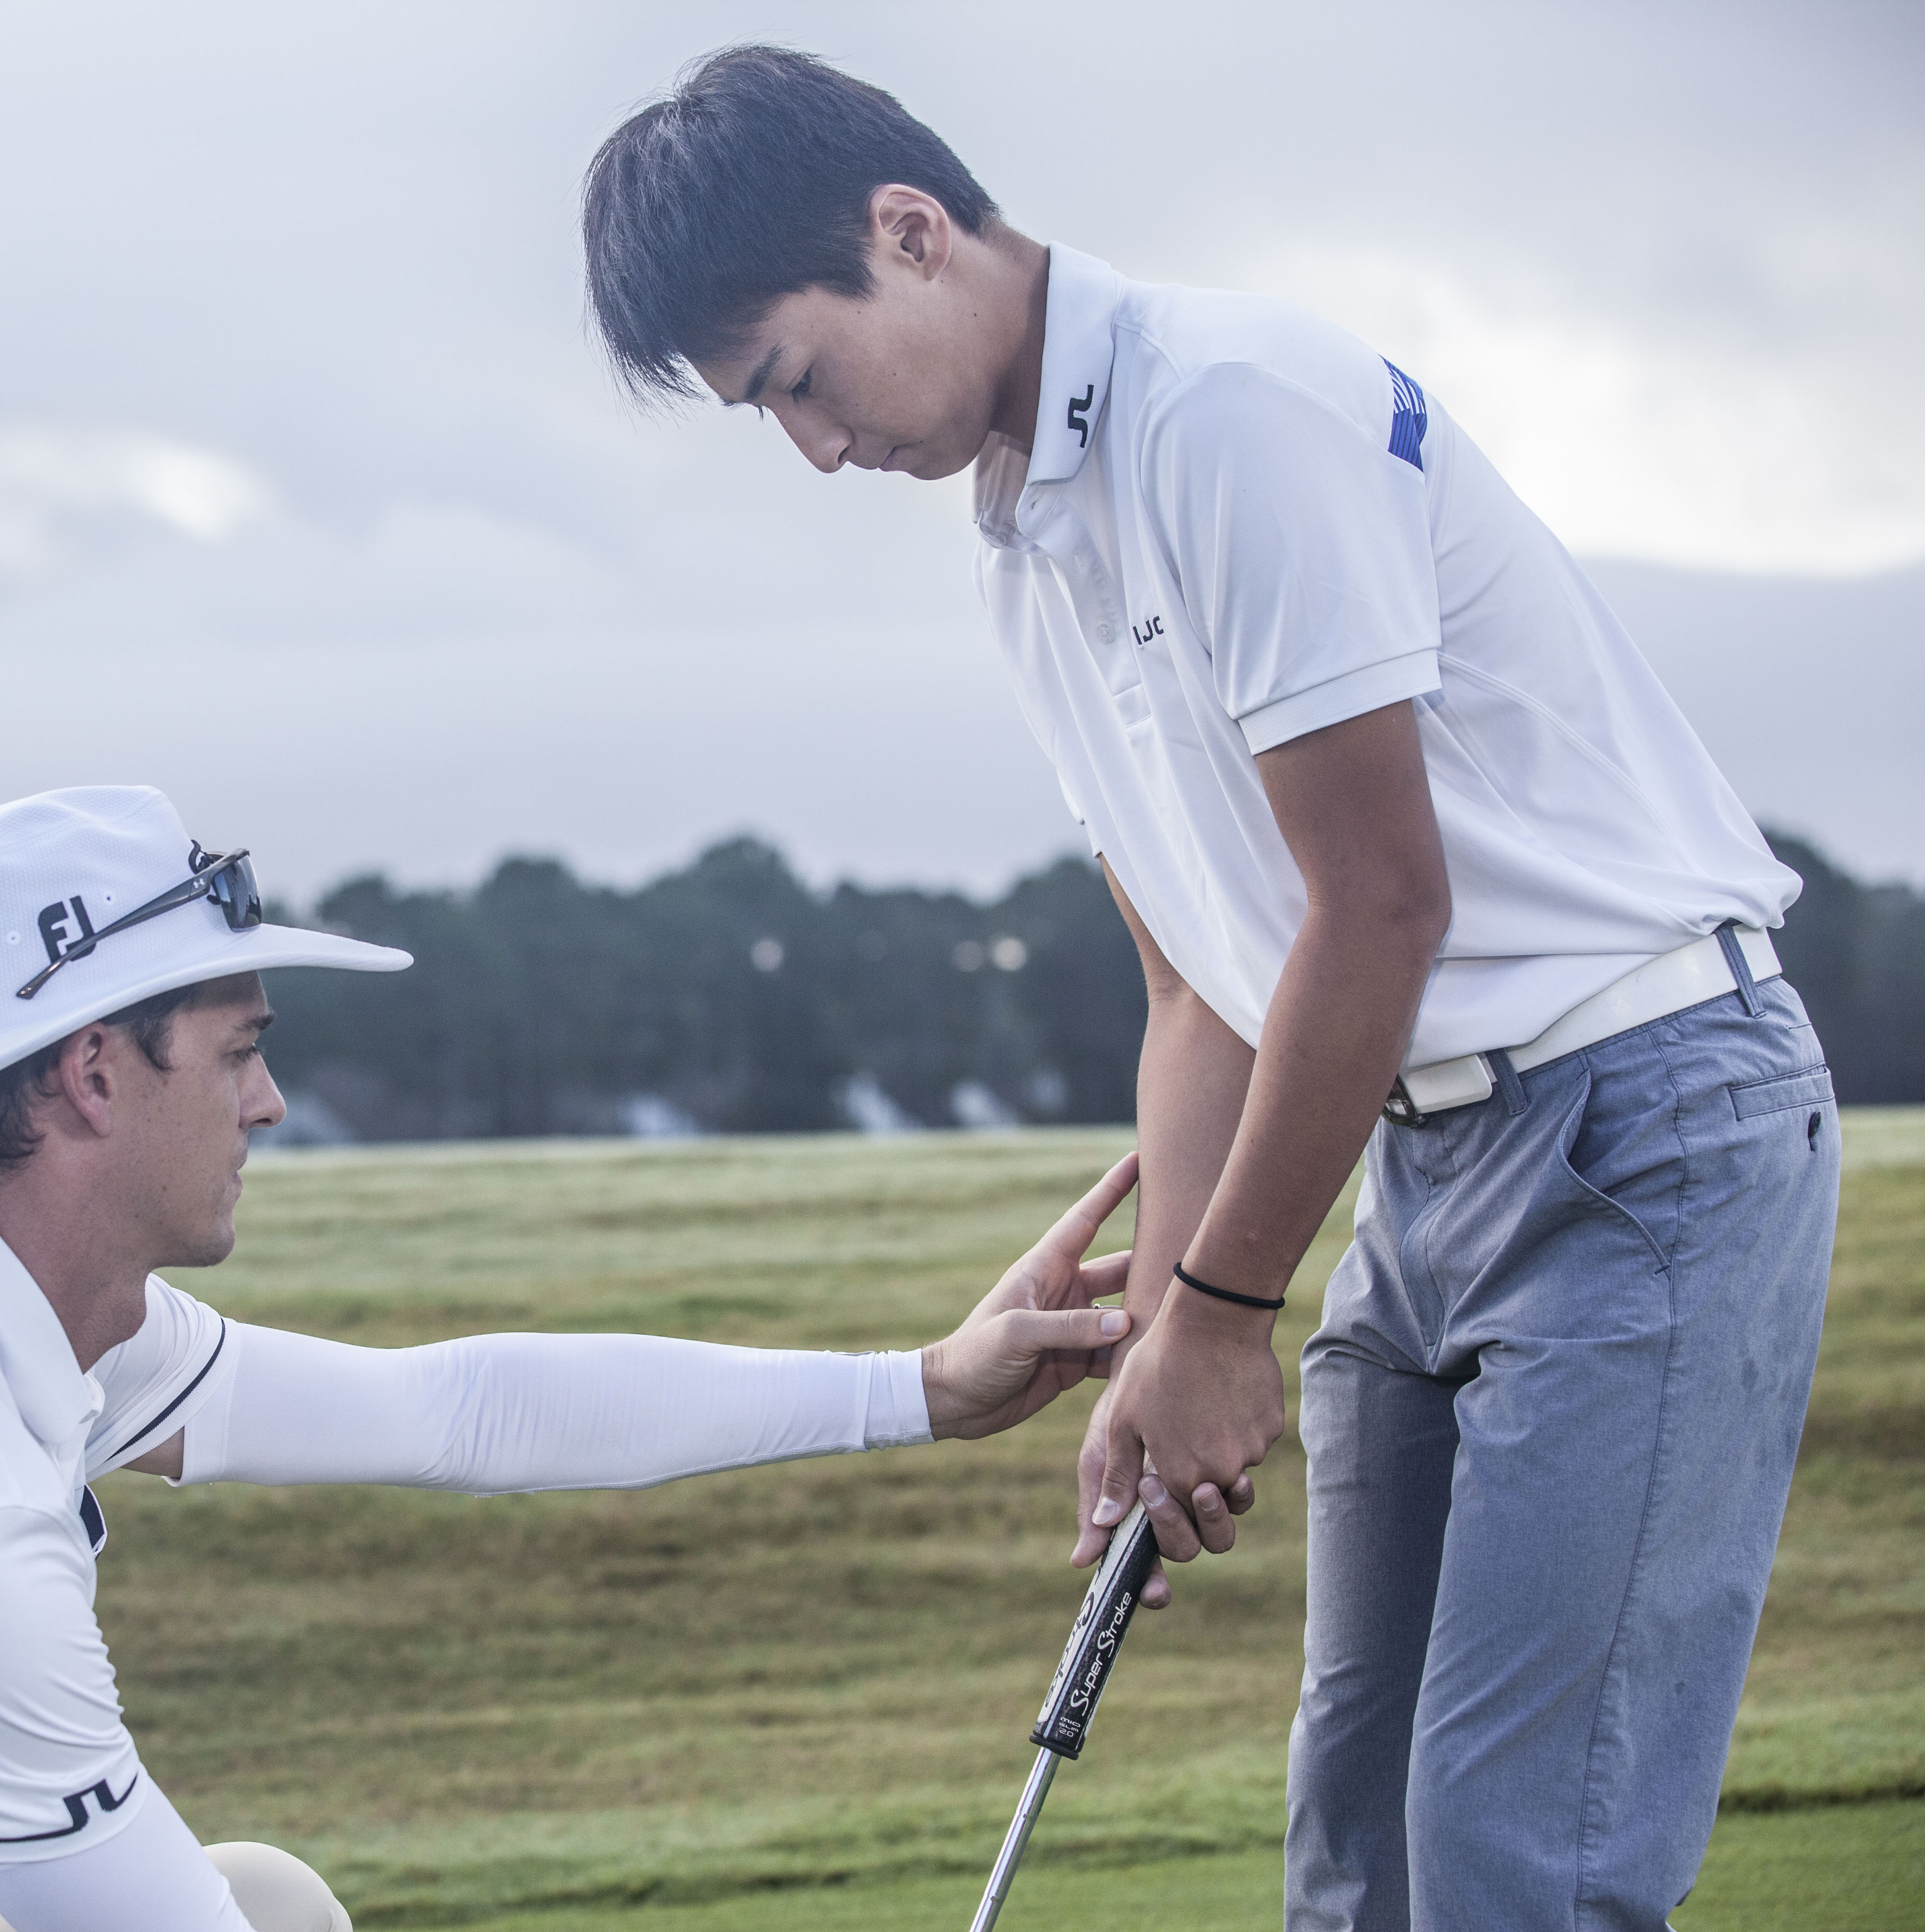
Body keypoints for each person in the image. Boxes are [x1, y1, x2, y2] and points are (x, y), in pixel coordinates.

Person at [579, 46, 1839, 1932]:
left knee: (1517, 1860)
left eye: (799, 381)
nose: (817, 452)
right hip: (1427, 1158)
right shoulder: (1021, 557)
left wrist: (1229, 1315)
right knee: (1358, 1840)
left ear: (908, 234)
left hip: (1647, 1117)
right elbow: (1201, 995)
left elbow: (1382, 905)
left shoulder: (1231, 410)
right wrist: (1160, 1344)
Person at [0, 784, 1151, 1932]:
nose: (273, 1102)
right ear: (89, 1075)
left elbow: (461, 1413)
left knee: (268, 1898)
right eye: (238, 1050)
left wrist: (923, 1388)